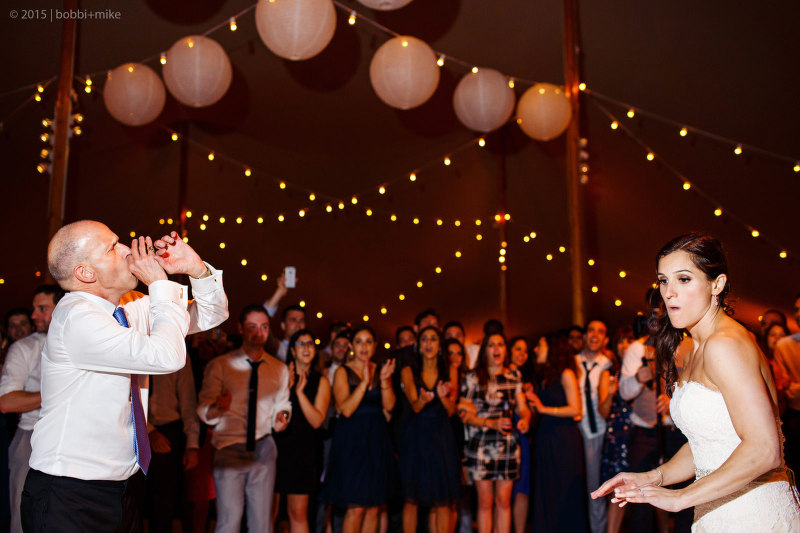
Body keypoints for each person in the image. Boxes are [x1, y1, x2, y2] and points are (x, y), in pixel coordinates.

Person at [21, 223, 228, 533]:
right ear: (85, 273)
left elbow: (212, 314)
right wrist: (159, 283)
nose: (128, 250)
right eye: (113, 247)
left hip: (119, 487)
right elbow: (167, 356)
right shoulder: (76, 316)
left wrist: (196, 269)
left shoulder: (126, 309)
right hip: (68, 491)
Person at [592, 232, 800, 531]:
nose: (669, 293)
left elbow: (765, 449)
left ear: (717, 284)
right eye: (664, 280)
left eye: (684, 279)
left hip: (751, 513)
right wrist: (653, 477)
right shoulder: (696, 348)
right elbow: (709, 442)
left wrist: (681, 497)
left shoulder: (724, 344)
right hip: (716, 508)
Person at [196, 304, 292, 533]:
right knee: (229, 521)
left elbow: (283, 404)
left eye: (264, 327)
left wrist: (282, 417)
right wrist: (218, 407)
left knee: (262, 523)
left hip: (263, 446)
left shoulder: (279, 369)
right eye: (252, 327)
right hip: (229, 447)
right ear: (240, 328)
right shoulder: (220, 365)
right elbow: (203, 409)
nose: (259, 333)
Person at [0, 284, 63, 533]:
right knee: (24, 517)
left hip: (74, 440)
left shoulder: (83, 342)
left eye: (42, 308)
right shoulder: (24, 348)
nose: (34, 315)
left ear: (62, 307)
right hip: (31, 438)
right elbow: (7, 401)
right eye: (34, 308)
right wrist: (66, 391)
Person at [322, 326, 396, 533]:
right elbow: (345, 409)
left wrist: (384, 381)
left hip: (376, 440)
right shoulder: (342, 372)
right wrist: (364, 383)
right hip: (351, 442)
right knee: (355, 508)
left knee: (373, 507)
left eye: (368, 341)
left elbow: (389, 406)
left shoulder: (381, 370)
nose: (364, 346)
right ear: (352, 346)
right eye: (359, 341)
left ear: (375, 346)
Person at [459, 333, 531, 533]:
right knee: (485, 502)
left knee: (504, 501)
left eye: (500, 344)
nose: (496, 349)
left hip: (507, 445)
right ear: (484, 350)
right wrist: (490, 423)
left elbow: (522, 407)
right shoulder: (473, 377)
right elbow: (463, 412)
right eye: (491, 345)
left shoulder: (513, 376)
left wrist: (525, 419)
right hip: (480, 444)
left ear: (505, 350)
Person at [398, 326, 460, 533]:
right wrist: (424, 400)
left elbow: (452, 410)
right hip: (416, 435)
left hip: (441, 436)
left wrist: (442, 397)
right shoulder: (408, 370)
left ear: (440, 345)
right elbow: (415, 406)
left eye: (433, 339)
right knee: (411, 498)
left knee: (443, 498)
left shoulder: (450, 370)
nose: (428, 343)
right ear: (418, 345)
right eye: (424, 339)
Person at [526, 335, 588, 533]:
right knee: (547, 488)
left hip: (563, 438)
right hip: (546, 436)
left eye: (540, 345)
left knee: (563, 489)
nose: (536, 349)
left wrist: (543, 408)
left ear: (553, 348)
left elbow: (575, 409)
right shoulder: (545, 376)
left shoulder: (566, 373)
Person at [275, 329, 331, 533]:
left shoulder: (320, 381)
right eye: (301, 344)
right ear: (292, 350)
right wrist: (286, 387)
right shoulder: (279, 375)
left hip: (304, 453)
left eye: (310, 344)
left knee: (298, 514)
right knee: (269, 512)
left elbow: (317, 421)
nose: (306, 348)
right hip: (277, 447)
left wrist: (299, 392)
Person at [575, 320, 612, 533]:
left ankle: (598, 529)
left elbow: (606, 408)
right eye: (591, 330)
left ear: (605, 339)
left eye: (600, 331)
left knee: (595, 486)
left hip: (597, 431)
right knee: (574, 485)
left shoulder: (607, 365)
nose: (595, 335)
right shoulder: (572, 362)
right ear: (585, 336)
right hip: (574, 430)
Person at [506, 336, 533, 533]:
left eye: (525, 350)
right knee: (503, 491)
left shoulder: (525, 377)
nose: (522, 354)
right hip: (504, 430)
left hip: (521, 432)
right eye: (517, 349)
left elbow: (526, 409)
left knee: (522, 488)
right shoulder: (502, 373)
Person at [774, 293, 800, 492]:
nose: (798, 314)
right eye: (797, 310)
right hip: (795, 416)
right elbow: (783, 385)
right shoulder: (784, 345)